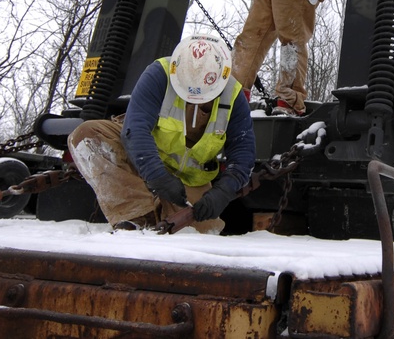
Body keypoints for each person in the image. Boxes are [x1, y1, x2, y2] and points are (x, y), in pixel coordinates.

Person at [66, 34, 255, 232]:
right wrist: (157, 176)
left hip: (188, 183)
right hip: (144, 162)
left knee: (204, 237)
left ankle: (164, 210)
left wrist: (223, 191)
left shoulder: (233, 96)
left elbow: (243, 154)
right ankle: (137, 217)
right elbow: (135, 129)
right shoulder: (160, 74)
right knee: (86, 137)